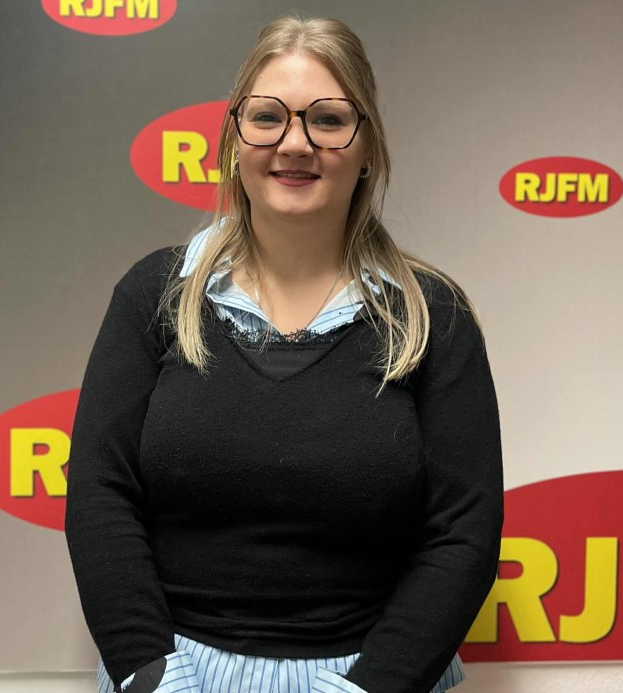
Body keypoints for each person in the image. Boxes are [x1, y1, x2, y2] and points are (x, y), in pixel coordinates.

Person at [65, 15, 502, 693]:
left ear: (367, 147)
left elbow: (464, 530)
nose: (295, 143)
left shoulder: (432, 316)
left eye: (327, 120)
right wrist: (152, 676)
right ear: (233, 139)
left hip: (374, 678)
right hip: (172, 674)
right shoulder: (154, 294)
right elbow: (99, 493)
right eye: (267, 117)